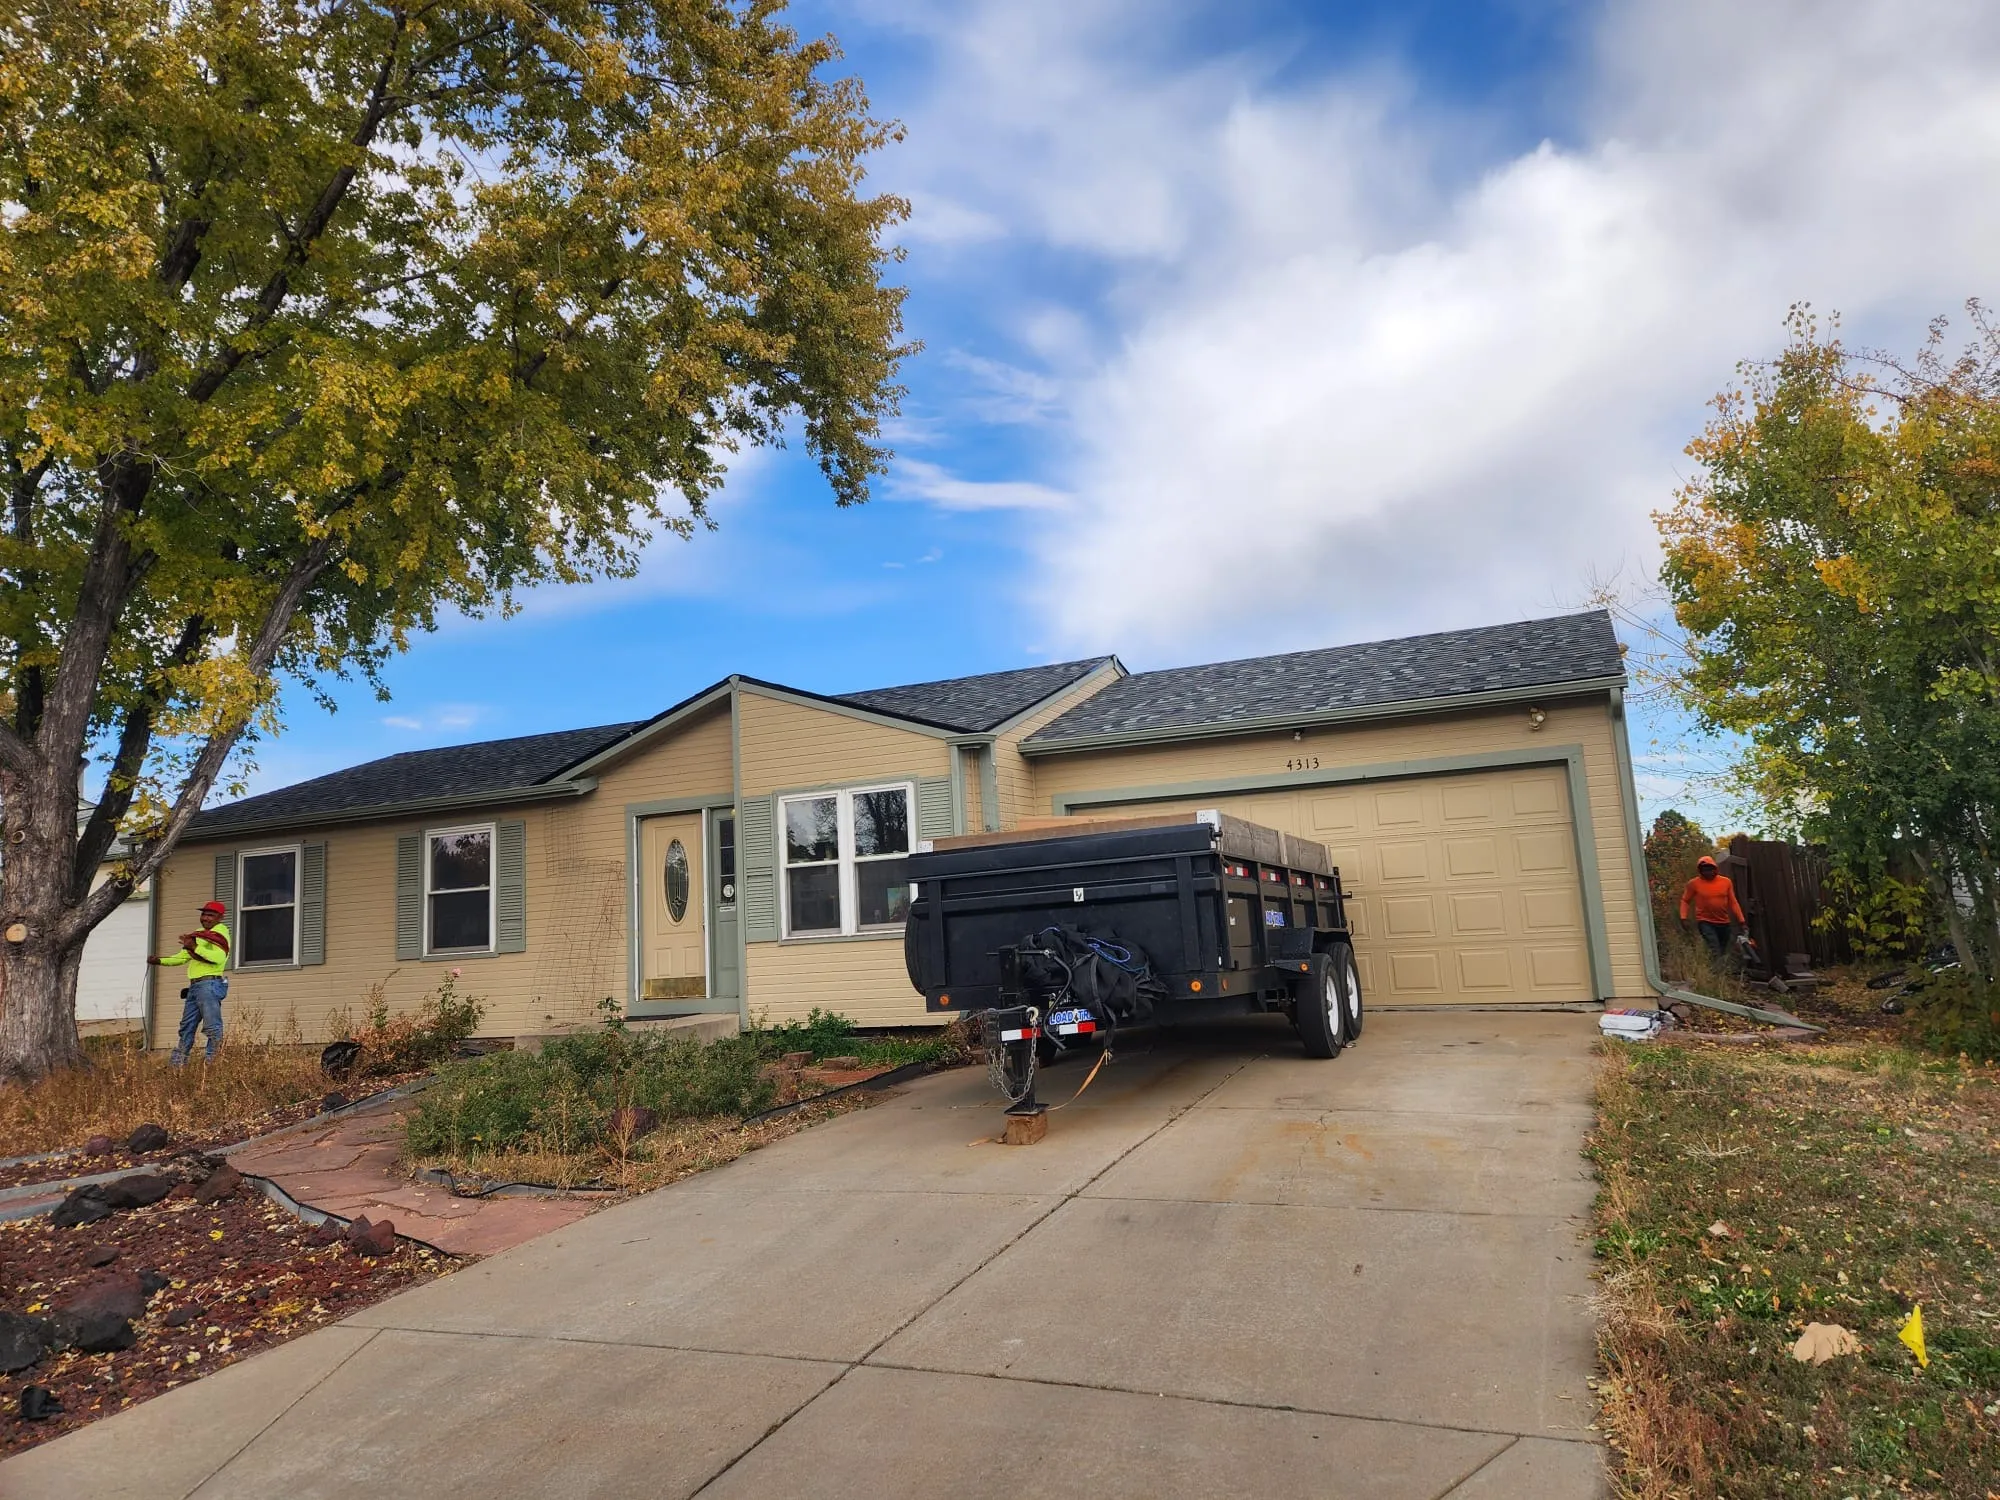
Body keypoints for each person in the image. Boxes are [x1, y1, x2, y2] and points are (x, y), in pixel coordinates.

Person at [149, 900, 230, 1064]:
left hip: (210, 984)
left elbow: (218, 958)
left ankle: (212, 1064)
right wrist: (160, 961)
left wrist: (194, 947)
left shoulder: (220, 933)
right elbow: (182, 957)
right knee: (186, 1026)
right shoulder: (198, 934)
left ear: (220, 917)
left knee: (212, 1026)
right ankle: (178, 1066)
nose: (206, 918)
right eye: (204, 914)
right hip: (195, 986)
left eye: (211, 915)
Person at [1679, 855, 1746, 961]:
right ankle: (1717, 973)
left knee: (1723, 950)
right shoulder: (1694, 884)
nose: (1708, 872)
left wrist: (1741, 920)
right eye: (1704, 870)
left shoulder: (1726, 882)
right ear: (1700, 871)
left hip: (1724, 922)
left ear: (1715, 869)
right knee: (1714, 948)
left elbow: (1733, 902)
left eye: (1710, 869)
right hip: (1705, 921)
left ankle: (1719, 971)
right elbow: (1685, 901)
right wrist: (1683, 918)